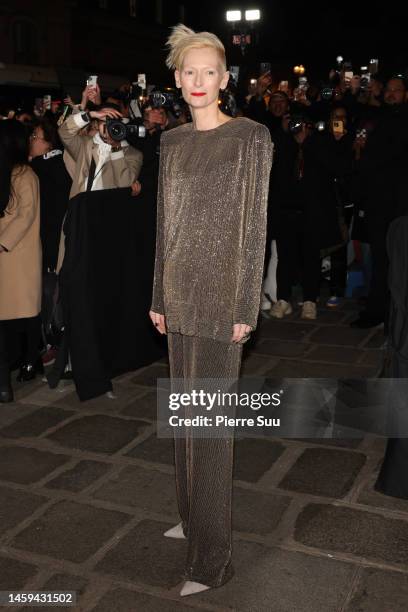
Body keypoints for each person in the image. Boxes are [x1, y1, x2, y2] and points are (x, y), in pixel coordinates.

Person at [149, 24, 273, 596]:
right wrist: (157, 295)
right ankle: (192, 519)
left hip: (224, 298)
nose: (199, 81)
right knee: (184, 420)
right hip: (178, 295)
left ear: (226, 78)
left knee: (211, 429)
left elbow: (254, 227)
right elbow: (164, 227)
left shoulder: (250, 137)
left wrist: (247, 302)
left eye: (210, 72)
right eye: (189, 72)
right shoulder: (170, 142)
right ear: (177, 79)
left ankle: (211, 561)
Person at [0, 120, 42, 395]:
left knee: (12, 324)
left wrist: (2, 243)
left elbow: (25, 215)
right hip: (8, 260)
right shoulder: (10, 172)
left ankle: (8, 381)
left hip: (16, 260)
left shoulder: (24, 175)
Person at [30, 117, 72, 365]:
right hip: (54, 240)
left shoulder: (46, 168)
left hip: (51, 242)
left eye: (35, 136)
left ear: (48, 143)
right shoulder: (51, 165)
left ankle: (53, 344)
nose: (31, 141)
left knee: (51, 294)